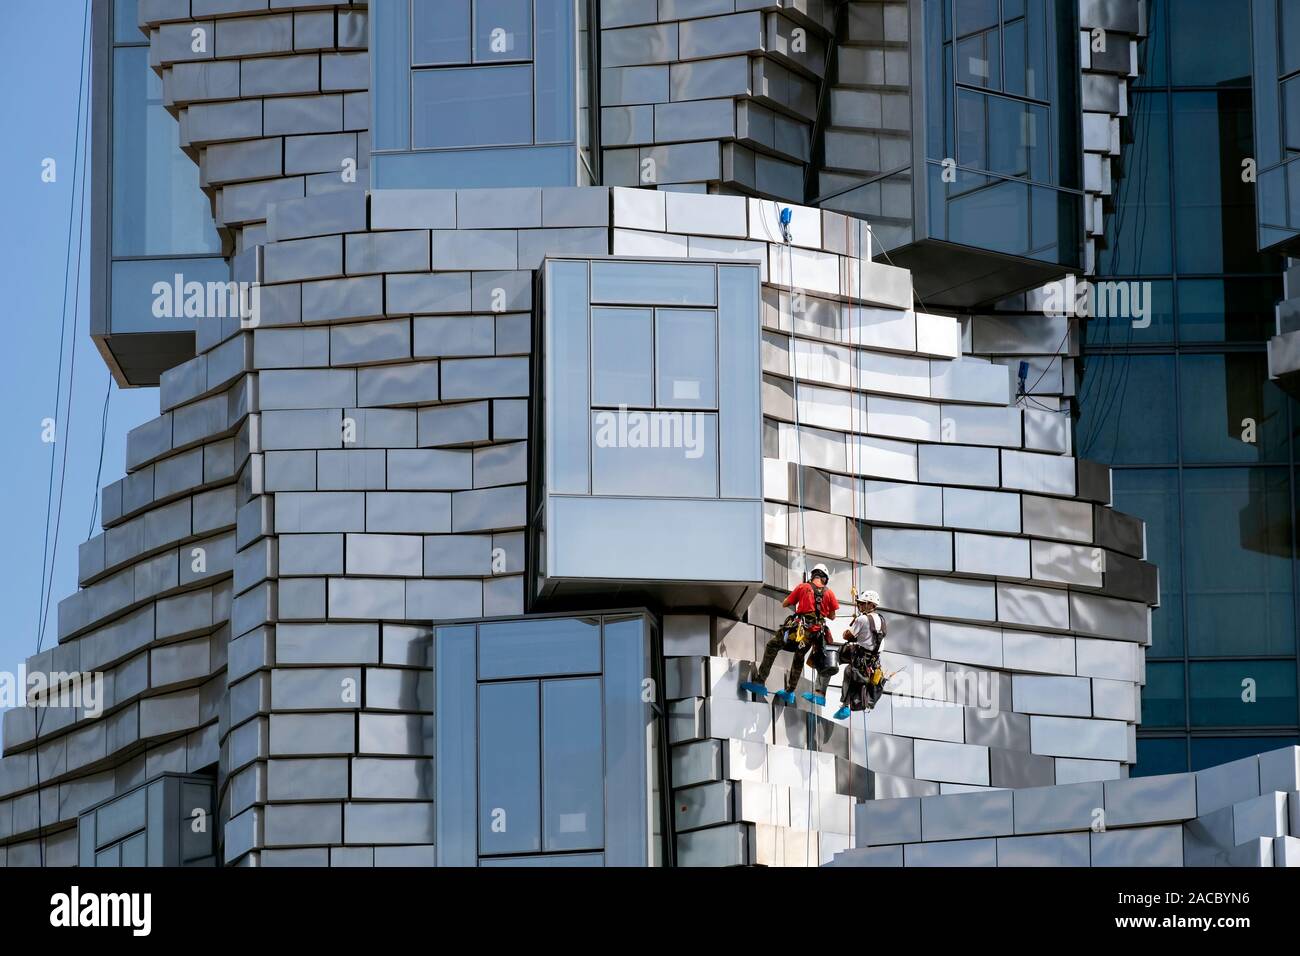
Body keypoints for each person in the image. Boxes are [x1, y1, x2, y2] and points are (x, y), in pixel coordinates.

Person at [741, 563, 839, 705]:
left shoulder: (803, 587)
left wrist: (798, 603)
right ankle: (790, 692)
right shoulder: (829, 593)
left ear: (813, 575)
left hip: (798, 630)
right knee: (799, 658)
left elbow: (785, 603)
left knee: (773, 645)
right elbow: (833, 616)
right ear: (825, 578)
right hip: (814, 635)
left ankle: (760, 681)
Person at [833, 590, 887, 720]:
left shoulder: (862, 619)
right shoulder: (881, 619)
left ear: (871, 605)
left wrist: (850, 628)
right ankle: (858, 701)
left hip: (862, 656)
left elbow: (848, 635)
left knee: (846, 669)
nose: (860, 606)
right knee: (857, 675)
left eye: (863, 604)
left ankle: (843, 705)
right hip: (874, 660)